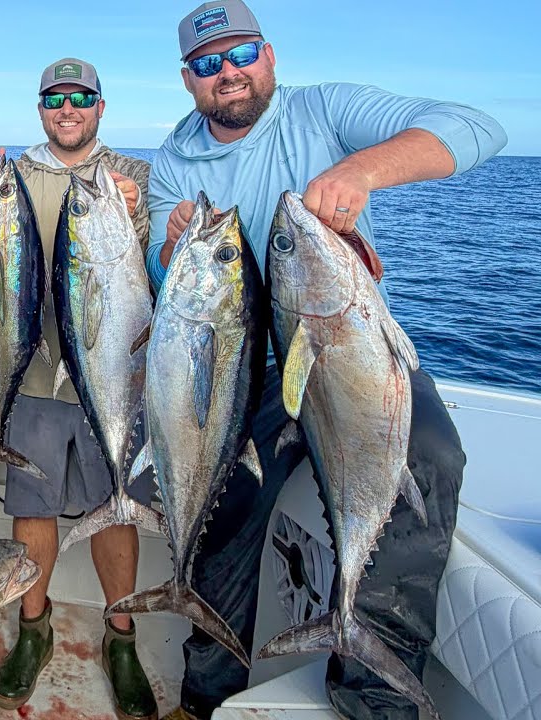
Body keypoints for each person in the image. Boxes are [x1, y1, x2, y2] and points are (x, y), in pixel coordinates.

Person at [147, 3, 507, 718]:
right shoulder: (172, 157)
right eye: (207, 63)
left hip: (354, 351)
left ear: (269, 55)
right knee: (222, 503)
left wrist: (360, 170)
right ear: (188, 78)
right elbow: (170, 285)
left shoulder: (328, 110)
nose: (228, 73)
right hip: (247, 366)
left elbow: (479, 128)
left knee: (430, 460)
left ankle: (373, 692)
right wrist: (173, 244)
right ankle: (205, 691)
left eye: (239, 53)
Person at [0, 58, 158, 719]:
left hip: (112, 376)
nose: (67, 108)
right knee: (33, 508)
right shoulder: (10, 178)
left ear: (101, 107)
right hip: (35, 372)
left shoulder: (136, 177)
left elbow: (163, 268)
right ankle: (33, 627)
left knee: (118, 507)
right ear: (40, 108)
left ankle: (122, 634)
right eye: (55, 98)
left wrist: (144, 218)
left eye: (81, 98)